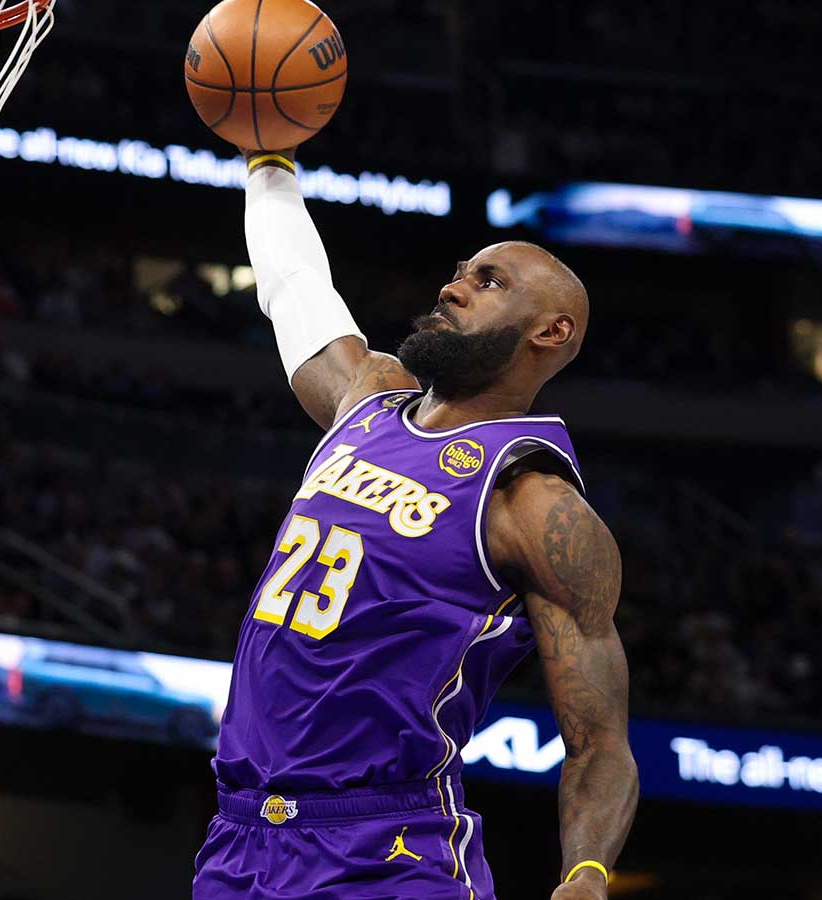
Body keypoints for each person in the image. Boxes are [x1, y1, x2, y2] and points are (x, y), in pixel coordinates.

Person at [192, 149, 637, 900]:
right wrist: (269, 162)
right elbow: (295, 285)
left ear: (551, 332)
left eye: (488, 281)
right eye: (461, 271)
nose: (453, 286)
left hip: (389, 852)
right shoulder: (365, 400)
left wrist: (586, 876)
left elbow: (599, 745)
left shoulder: (533, 504)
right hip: (239, 840)